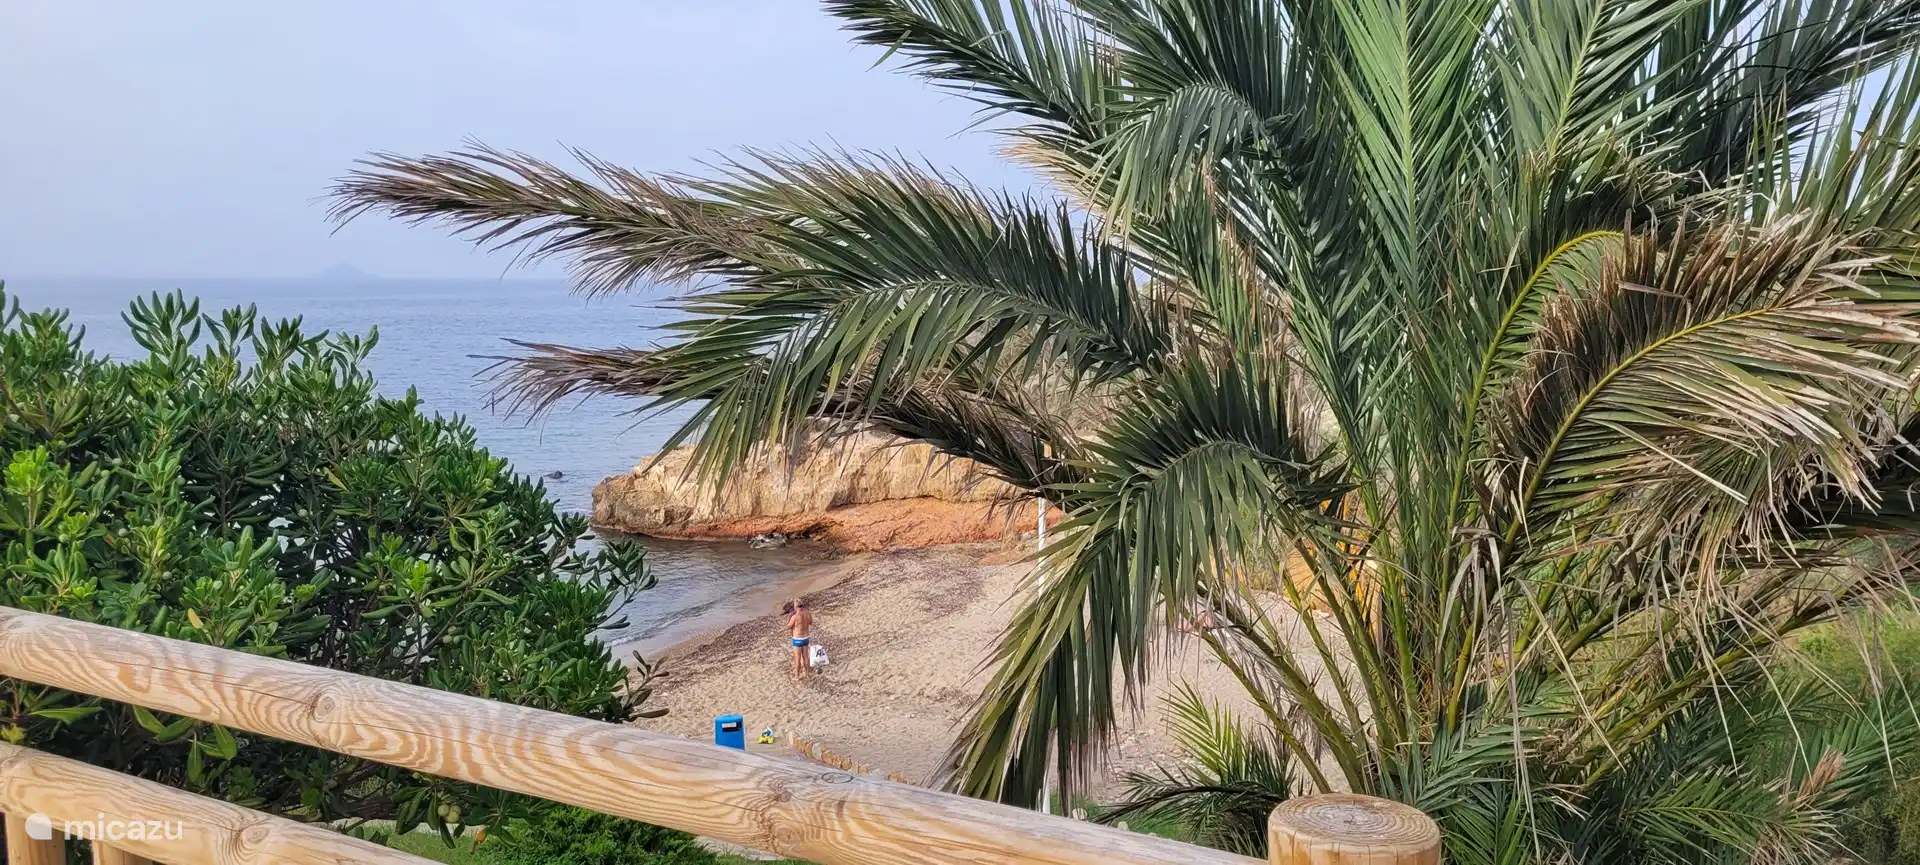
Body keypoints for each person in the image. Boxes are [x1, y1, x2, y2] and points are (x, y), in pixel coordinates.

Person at [781, 598, 813, 680]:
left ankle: (797, 676)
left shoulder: (794, 617)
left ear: (795, 606)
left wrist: (784, 626)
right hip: (805, 638)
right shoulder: (808, 614)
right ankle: (807, 675)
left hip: (797, 639)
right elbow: (810, 622)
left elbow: (789, 626)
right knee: (806, 657)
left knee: (797, 658)